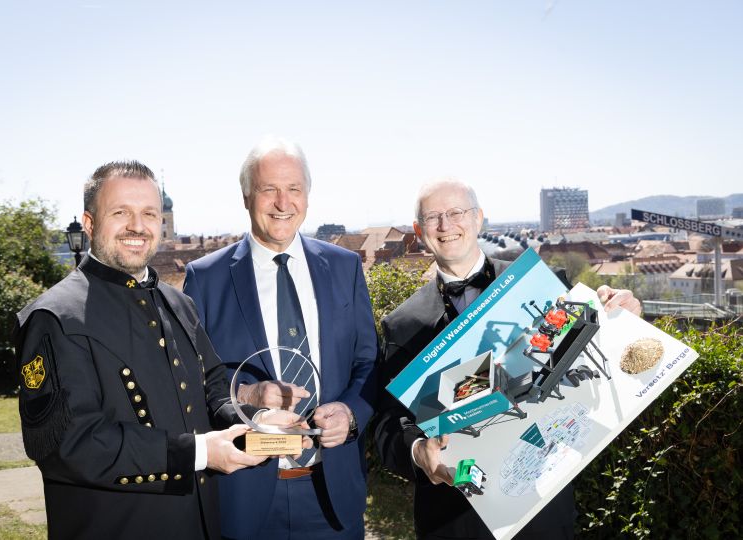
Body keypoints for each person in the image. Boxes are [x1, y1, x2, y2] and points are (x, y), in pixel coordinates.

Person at [14, 161, 274, 540]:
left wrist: (257, 418)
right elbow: (67, 445)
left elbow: (214, 387)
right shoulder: (53, 318)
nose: (138, 225)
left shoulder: (177, 302)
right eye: (121, 212)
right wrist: (197, 453)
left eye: (149, 213)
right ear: (89, 223)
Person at [372, 178, 642, 540]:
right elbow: (389, 425)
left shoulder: (543, 282)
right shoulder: (401, 324)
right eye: (434, 217)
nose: (446, 225)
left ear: (479, 218)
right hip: (452, 520)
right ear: (420, 232)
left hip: (542, 507)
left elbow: (598, 360)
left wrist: (624, 315)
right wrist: (420, 452)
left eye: (456, 213)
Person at [184, 137, 377, 539]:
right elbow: (193, 382)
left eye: (294, 189)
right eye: (268, 189)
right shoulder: (205, 278)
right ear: (246, 196)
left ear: (308, 195)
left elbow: (367, 363)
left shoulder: (345, 268)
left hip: (333, 494)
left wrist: (352, 413)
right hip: (245, 494)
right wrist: (248, 397)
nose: (282, 202)